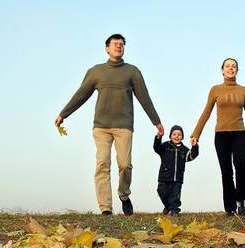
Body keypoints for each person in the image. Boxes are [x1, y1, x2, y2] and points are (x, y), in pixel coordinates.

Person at [55, 33, 164, 216]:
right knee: (102, 164)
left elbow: (144, 97)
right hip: (101, 127)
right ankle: (106, 208)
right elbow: (81, 95)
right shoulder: (96, 71)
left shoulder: (132, 71)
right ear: (107, 48)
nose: (118, 47)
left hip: (124, 126)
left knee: (125, 164)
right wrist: (63, 114)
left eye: (121, 44)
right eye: (114, 44)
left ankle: (123, 194)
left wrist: (156, 121)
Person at [190, 58, 245, 217]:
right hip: (221, 135)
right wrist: (196, 134)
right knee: (226, 171)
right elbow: (206, 112)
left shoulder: (243, 90)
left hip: (239, 134)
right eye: (227, 66)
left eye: (234, 66)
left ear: (237, 70)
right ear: (222, 70)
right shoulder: (215, 90)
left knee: (239, 164)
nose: (231, 68)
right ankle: (230, 208)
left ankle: (241, 200)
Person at [154, 125, 198, 216]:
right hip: (164, 176)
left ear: (182, 137)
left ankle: (174, 211)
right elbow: (157, 148)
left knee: (175, 196)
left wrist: (194, 147)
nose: (177, 136)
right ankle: (167, 206)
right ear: (170, 136)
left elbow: (191, 156)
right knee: (161, 191)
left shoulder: (184, 149)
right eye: (174, 134)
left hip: (177, 178)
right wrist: (158, 137)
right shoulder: (165, 146)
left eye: (179, 134)